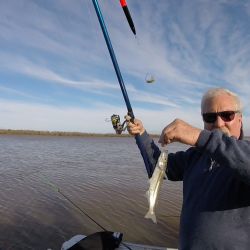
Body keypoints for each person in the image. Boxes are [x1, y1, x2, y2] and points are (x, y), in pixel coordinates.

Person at [126, 88, 250, 249]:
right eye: (210, 117)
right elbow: (160, 167)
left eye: (227, 115)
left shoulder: (245, 155)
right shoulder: (195, 156)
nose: (219, 123)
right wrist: (141, 134)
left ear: (240, 120)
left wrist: (199, 136)